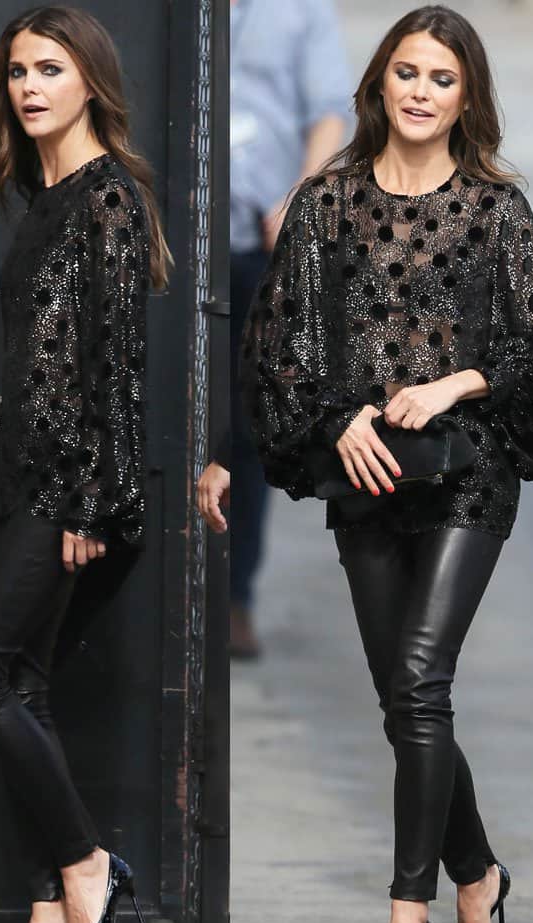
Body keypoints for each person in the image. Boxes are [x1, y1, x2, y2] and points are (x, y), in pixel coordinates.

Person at [239, 4, 533, 923]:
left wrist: (453, 383)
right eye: (407, 72)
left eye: (442, 78)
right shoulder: (327, 204)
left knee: (422, 681)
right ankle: (479, 876)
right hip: (368, 477)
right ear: (378, 83)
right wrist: (337, 417)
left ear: (466, 97)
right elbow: (279, 346)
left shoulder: (495, 208)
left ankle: (407, 914)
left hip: (469, 471)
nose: (421, 92)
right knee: (404, 700)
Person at [0, 6, 171, 923]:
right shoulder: (45, 197)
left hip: (63, 487)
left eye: (50, 68)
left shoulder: (107, 198)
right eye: (19, 71)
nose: (31, 86)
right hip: (23, 478)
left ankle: (88, 869)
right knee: (23, 689)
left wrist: (87, 503)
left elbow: (114, 366)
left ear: (92, 82)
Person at [230, 0, 352, 657]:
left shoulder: (300, 9)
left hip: (261, 241)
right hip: (175, 240)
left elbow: (330, 108)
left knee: (247, 425)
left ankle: (233, 596)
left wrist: (299, 199)